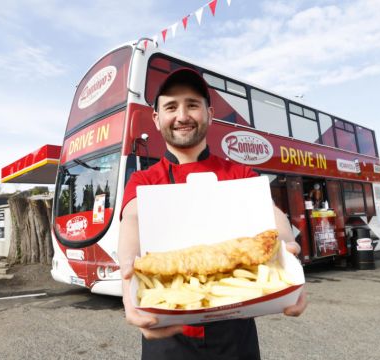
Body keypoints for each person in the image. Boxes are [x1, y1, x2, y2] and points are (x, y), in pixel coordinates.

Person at [118, 68, 307, 360]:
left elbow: (272, 214)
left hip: (235, 332)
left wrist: (287, 255)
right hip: (168, 333)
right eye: (171, 107)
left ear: (210, 112)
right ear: (156, 119)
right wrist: (127, 273)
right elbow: (132, 218)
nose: (182, 116)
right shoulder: (144, 181)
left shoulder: (239, 173)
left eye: (192, 105)